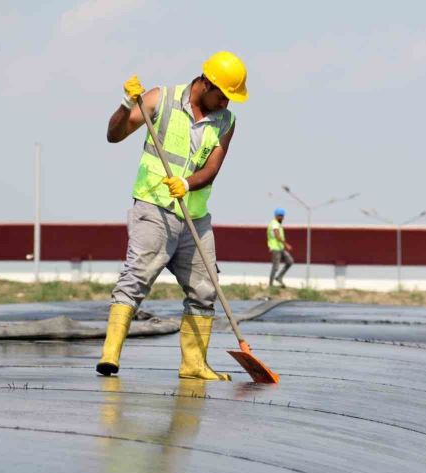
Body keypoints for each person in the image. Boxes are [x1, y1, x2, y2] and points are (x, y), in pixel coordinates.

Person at [96, 51, 248, 381]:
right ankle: (110, 355)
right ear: (206, 84)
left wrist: (186, 182)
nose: (226, 103)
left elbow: (211, 169)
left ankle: (194, 365)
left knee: (206, 290)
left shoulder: (226, 121)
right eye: (223, 94)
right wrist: (125, 105)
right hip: (153, 209)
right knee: (136, 279)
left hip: (195, 216)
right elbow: (114, 135)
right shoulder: (159, 100)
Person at [267, 207, 293, 288]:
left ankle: (279, 277)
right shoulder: (274, 224)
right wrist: (286, 245)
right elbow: (277, 235)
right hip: (275, 248)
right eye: (282, 216)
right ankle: (270, 285)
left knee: (290, 261)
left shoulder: (277, 224)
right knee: (276, 266)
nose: (283, 218)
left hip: (280, 248)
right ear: (278, 216)